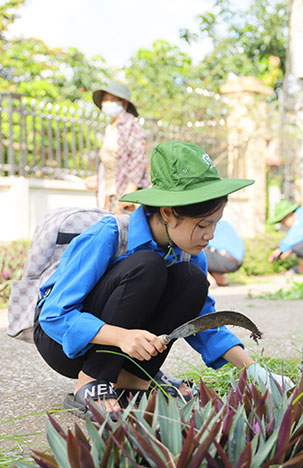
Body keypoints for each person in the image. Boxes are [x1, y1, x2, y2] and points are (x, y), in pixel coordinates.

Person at [35, 141, 288, 418]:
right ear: (167, 212)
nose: (211, 235)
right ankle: (92, 380)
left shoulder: (188, 253)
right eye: (202, 225)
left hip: (126, 347)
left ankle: (134, 379)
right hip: (63, 343)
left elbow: (203, 322)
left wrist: (254, 371)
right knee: (147, 265)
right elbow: (54, 316)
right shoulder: (109, 234)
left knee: (192, 279)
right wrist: (121, 337)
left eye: (215, 223)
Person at [84, 81, 150, 214]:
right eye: (105, 100)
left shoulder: (131, 126)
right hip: (108, 190)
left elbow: (139, 158)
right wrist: (98, 178)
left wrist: (131, 188)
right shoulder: (110, 128)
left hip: (123, 191)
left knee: (124, 224)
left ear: (124, 103)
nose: (106, 103)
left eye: (111, 99)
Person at [205, 218, 245, 287]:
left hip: (225, 260)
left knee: (197, 249)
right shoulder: (223, 222)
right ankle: (221, 280)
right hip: (237, 261)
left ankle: (208, 280)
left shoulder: (208, 223)